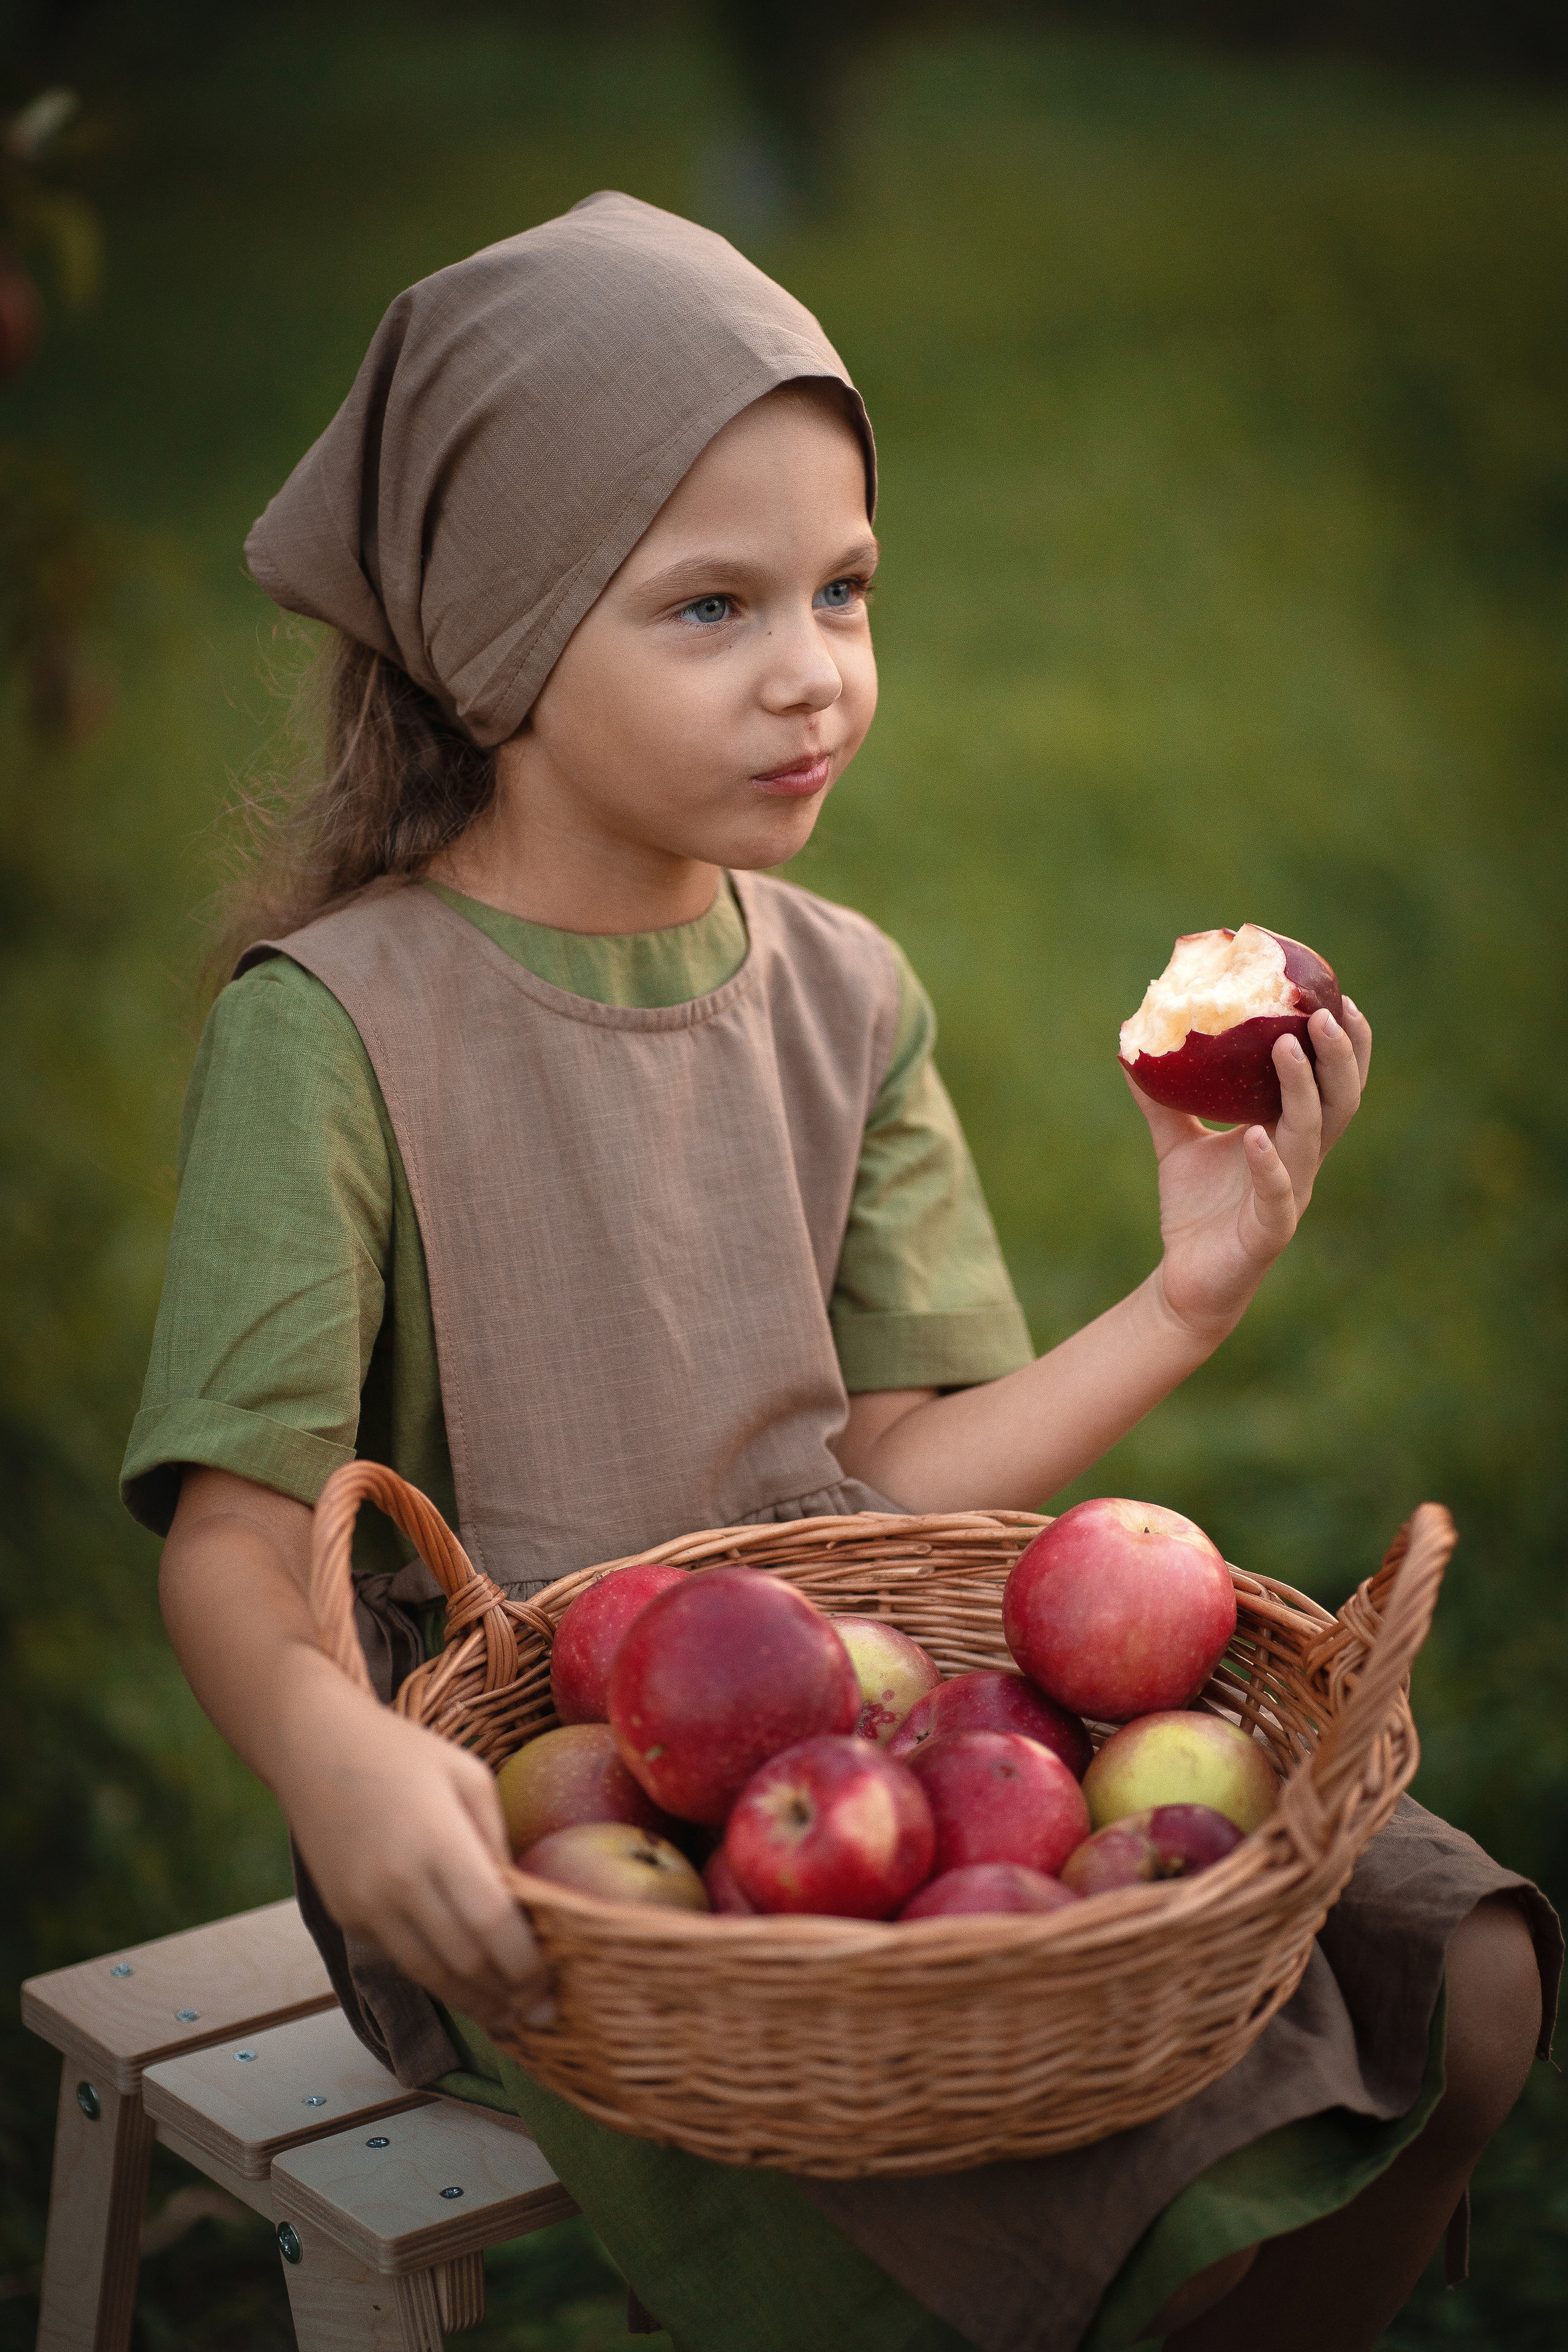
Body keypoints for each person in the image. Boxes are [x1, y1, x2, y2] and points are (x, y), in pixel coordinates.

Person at [126, 194, 1555, 2351]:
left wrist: (1186, 1297)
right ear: (498, 638)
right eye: (712, 605)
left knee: (1475, 1980)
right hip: (552, 1818)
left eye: (846, 589)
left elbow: (896, 1470)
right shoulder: (334, 1030)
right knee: (1100, 2211)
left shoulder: (847, 991)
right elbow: (237, 1538)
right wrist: (331, 1762)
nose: (813, 667)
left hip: (879, 1705)